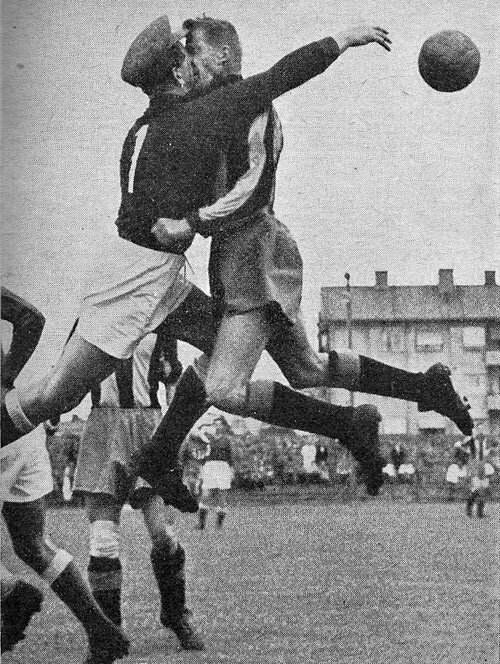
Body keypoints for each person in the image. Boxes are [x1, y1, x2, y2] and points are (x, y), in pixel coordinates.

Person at [2, 15, 471, 507]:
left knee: (225, 382)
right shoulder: (193, 113)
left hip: (242, 254)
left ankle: (171, 453)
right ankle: (401, 397)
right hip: (158, 272)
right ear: (176, 73)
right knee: (295, 368)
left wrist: (193, 221)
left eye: (193, 52)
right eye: (184, 56)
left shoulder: (209, 110)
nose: (190, 63)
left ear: (218, 58)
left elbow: (252, 184)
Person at [1, 288, 129, 662]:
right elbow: (29, 318)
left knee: (31, 547)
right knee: (32, 545)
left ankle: (9, 591)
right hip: (16, 422)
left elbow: (31, 318)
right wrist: (6, 385)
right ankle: (102, 632)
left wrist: (4, 379)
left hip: (5, 425)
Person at [73, 331, 204, 652]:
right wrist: (48, 414)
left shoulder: (161, 326)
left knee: (163, 535)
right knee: (103, 539)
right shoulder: (89, 321)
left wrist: (185, 430)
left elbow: (173, 385)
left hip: (150, 428)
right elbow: (70, 375)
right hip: (103, 428)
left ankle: (176, 614)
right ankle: (110, 631)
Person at [195, 419, 234, 530]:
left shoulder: (226, 441)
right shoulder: (207, 439)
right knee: (206, 494)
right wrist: (201, 471)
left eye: (219, 425)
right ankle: (201, 524)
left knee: (222, 496)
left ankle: (219, 525)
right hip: (209, 467)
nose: (217, 427)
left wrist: (231, 471)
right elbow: (202, 456)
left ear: (223, 427)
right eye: (215, 424)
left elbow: (230, 458)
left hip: (222, 467)